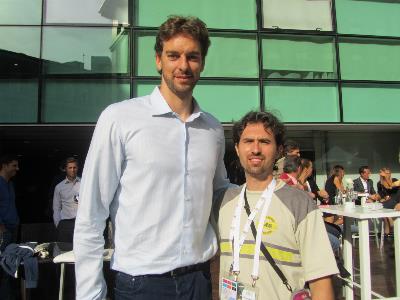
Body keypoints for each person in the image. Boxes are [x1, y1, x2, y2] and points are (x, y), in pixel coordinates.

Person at [74, 16, 229, 300]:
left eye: (193, 56)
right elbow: (91, 213)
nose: (183, 65)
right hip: (140, 285)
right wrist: (90, 293)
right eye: (174, 55)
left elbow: (219, 194)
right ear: (158, 60)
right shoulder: (119, 118)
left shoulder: (213, 129)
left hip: (199, 281)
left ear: (202, 63)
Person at [217, 111, 337, 299]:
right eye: (248, 141)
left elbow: (321, 281)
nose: (255, 149)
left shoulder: (299, 203)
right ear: (237, 148)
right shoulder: (224, 201)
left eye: (264, 142)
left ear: (279, 150)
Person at [0, 154, 20, 300]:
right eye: (14, 165)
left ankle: (10, 295)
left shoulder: (10, 184)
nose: (17, 169)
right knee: (4, 265)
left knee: (12, 264)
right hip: (3, 231)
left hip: (12, 228)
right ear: (4, 165)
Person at [52, 157, 80, 243]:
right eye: (70, 168)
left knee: (82, 250)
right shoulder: (59, 187)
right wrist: (58, 224)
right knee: (65, 251)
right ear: (65, 169)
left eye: (74, 167)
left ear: (77, 168)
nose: (72, 170)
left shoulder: (84, 183)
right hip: (65, 224)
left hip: (81, 222)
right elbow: (56, 208)